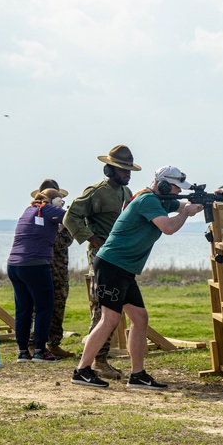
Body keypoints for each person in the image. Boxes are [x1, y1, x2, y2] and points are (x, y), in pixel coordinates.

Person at [71, 166, 220, 390]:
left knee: (140, 319)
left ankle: (137, 375)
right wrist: (186, 213)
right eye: (175, 187)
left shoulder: (159, 200)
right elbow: (169, 227)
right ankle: (82, 371)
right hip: (112, 266)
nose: (178, 192)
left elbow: (184, 204)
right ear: (162, 184)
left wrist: (212, 198)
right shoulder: (148, 201)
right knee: (109, 320)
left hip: (123, 268)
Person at [63, 146, 139, 380]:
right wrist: (92, 238)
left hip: (122, 256)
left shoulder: (127, 192)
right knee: (103, 306)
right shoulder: (96, 192)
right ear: (110, 169)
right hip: (101, 255)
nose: (127, 173)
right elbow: (70, 216)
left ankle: (99, 359)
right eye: (123, 169)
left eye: (129, 169)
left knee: (119, 306)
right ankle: (97, 361)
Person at [8, 187, 68, 362]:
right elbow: (71, 218)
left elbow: (52, 229)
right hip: (35, 265)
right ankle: (41, 351)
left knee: (23, 309)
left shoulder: (29, 210)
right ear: (54, 201)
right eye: (61, 201)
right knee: (44, 307)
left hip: (14, 265)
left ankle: (23, 352)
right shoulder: (48, 209)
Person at [29, 178, 74, 359]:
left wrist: (66, 224)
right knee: (37, 305)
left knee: (59, 303)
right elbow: (52, 241)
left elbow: (66, 241)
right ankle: (33, 343)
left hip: (59, 267)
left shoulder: (61, 217)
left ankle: (54, 343)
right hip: (41, 265)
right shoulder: (35, 214)